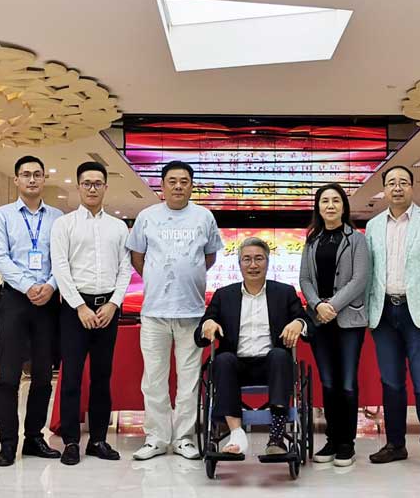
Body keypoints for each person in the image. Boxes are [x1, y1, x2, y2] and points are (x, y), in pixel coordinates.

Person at [127, 160, 223, 461]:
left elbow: (209, 258)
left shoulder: (204, 216)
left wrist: (187, 274)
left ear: (191, 186)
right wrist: (158, 278)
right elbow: (137, 257)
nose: (178, 186)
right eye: (172, 181)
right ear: (162, 185)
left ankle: (184, 438)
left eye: (184, 181)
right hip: (154, 312)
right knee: (154, 379)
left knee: (189, 379)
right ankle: (156, 438)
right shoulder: (147, 217)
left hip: (192, 312)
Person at [364, 166, 420, 472]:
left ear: (412, 187)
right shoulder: (373, 225)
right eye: (391, 183)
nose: (397, 187)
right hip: (384, 314)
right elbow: (369, 272)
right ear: (384, 190)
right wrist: (368, 312)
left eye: (403, 182)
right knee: (391, 383)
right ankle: (395, 445)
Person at [195, 237, 308, 456]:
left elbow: (307, 325)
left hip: (272, 367)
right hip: (235, 367)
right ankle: (236, 434)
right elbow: (200, 334)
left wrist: (298, 323)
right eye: (247, 259)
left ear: (268, 261)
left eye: (259, 258)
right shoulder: (223, 295)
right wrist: (207, 324)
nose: (253, 265)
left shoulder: (284, 293)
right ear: (239, 263)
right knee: (222, 359)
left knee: (280, 355)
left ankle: (276, 437)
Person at [52, 161, 133, 465]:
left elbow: (125, 269)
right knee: (72, 377)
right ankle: (71, 441)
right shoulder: (65, 225)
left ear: (105, 187)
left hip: (108, 309)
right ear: (78, 186)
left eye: (98, 183)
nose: (92, 188)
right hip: (75, 309)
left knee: (102, 376)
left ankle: (98, 439)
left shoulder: (118, 227)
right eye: (87, 183)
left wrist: (114, 304)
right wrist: (80, 306)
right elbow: (60, 267)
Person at [0, 155, 64, 466]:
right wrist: (27, 286)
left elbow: (63, 259)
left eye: (37, 174)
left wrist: (50, 286)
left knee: (43, 375)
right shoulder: (2, 216)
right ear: (17, 180)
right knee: (8, 375)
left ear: (44, 179)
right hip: (15, 299)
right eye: (26, 174)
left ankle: (34, 438)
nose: (32, 179)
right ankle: (7, 443)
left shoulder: (58, 217)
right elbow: (0, 257)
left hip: (48, 300)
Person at [298, 183, 371, 467]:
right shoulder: (312, 240)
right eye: (325, 201)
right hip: (320, 320)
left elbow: (360, 279)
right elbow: (305, 279)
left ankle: (346, 443)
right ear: (318, 207)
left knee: (347, 383)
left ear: (343, 206)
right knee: (328, 383)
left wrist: (333, 306)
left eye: (335, 201)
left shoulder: (357, 240)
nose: (330, 205)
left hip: (349, 321)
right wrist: (318, 305)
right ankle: (331, 439)